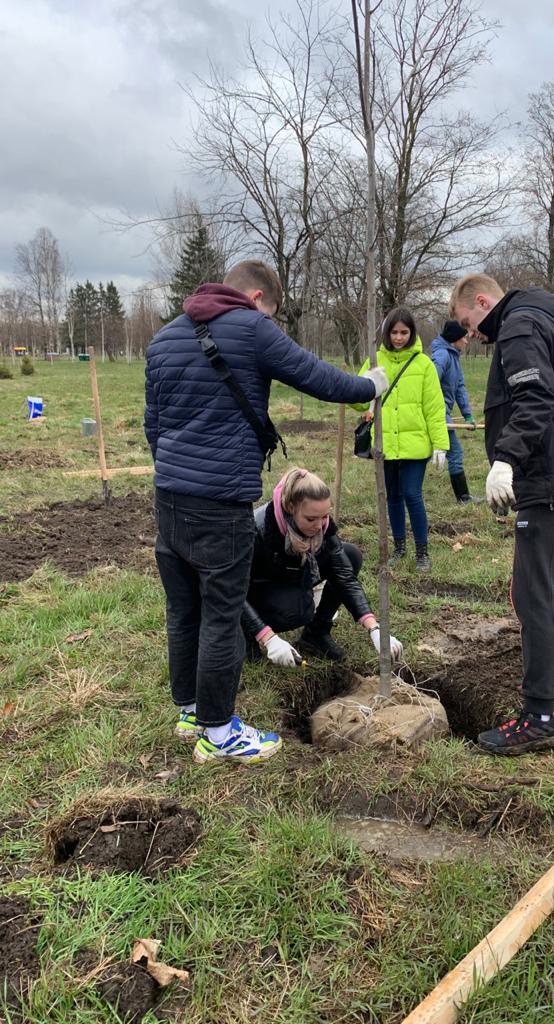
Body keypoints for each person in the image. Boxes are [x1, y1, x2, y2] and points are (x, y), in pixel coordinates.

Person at [144, 260, 388, 766]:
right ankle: (218, 732)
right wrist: (370, 386)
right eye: (273, 314)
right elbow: (316, 377)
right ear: (257, 298)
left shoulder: (165, 337)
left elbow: (154, 424)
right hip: (220, 501)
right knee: (221, 612)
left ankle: (189, 710)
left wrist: (177, 472)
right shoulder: (251, 326)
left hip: (169, 498)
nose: (272, 323)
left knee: (183, 609)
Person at [449, 274, 554, 757]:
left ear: (483, 302)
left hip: (546, 481)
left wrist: (506, 458)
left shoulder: (518, 327)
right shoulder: (540, 319)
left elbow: (535, 400)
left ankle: (538, 717)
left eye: (469, 322)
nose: (472, 335)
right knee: (546, 584)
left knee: (530, 594)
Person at [239, 467, 404, 668]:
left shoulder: (322, 526)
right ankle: (245, 633)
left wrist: (374, 628)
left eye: (324, 516)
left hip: (291, 575)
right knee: (296, 610)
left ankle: (316, 633)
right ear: (291, 507)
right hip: (254, 589)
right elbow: (233, 590)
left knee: (350, 555)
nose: (319, 526)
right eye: (311, 519)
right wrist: (268, 637)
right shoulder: (256, 530)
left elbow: (344, 574)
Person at [354, 307, 449, 572]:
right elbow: (359, 400)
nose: (398, 338)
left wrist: (441, 444)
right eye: (394, 332)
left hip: (415, 445)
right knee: (392, 496)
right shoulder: (375, 361)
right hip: (384, 444)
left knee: (412, 494)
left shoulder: (424, 365)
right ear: (386, 333)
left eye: (404, 332)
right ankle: (398, 548)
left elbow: (434, 407)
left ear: (412, 333)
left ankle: (422, 552)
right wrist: (362, 386)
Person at [430, 319, 482, 503]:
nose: (466, 341)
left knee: (439, 454)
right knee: (455, 453)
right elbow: (430, 383)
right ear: (454, 339)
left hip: (444, 413)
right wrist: (438, 414)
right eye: (464, 338)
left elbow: (460, 388)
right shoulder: (442, 356)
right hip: (436, 414)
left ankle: (463, 497)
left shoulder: (453, 356)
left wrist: (468, 415)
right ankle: (463, 497)